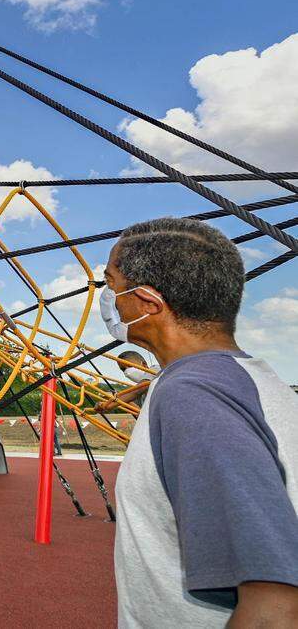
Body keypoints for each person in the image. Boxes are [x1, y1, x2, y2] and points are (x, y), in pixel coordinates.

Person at [104, 217, 298, 627]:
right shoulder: (251, 380)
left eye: (111, 283)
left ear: (146, 303)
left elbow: (275, 607)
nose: (110, 299)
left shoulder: (194, 396)